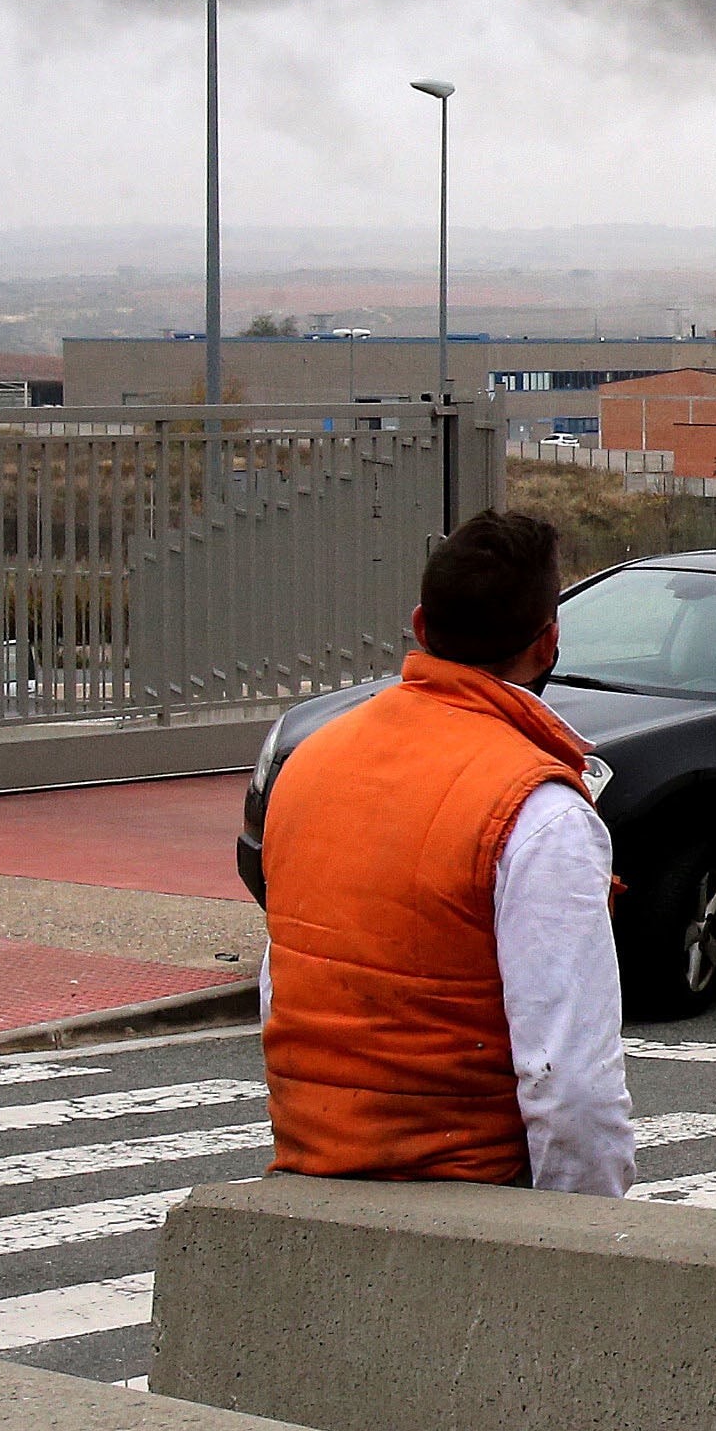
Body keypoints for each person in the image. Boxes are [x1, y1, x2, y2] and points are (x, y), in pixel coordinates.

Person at [258, 508, 634, 1195]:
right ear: (548, 645)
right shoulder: (538, 810)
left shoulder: (310, 765)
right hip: (473, 1204)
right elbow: (571, 1084)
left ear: (421, 627)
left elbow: (282, 985)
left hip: (308, 1180)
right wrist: (588, 1243)